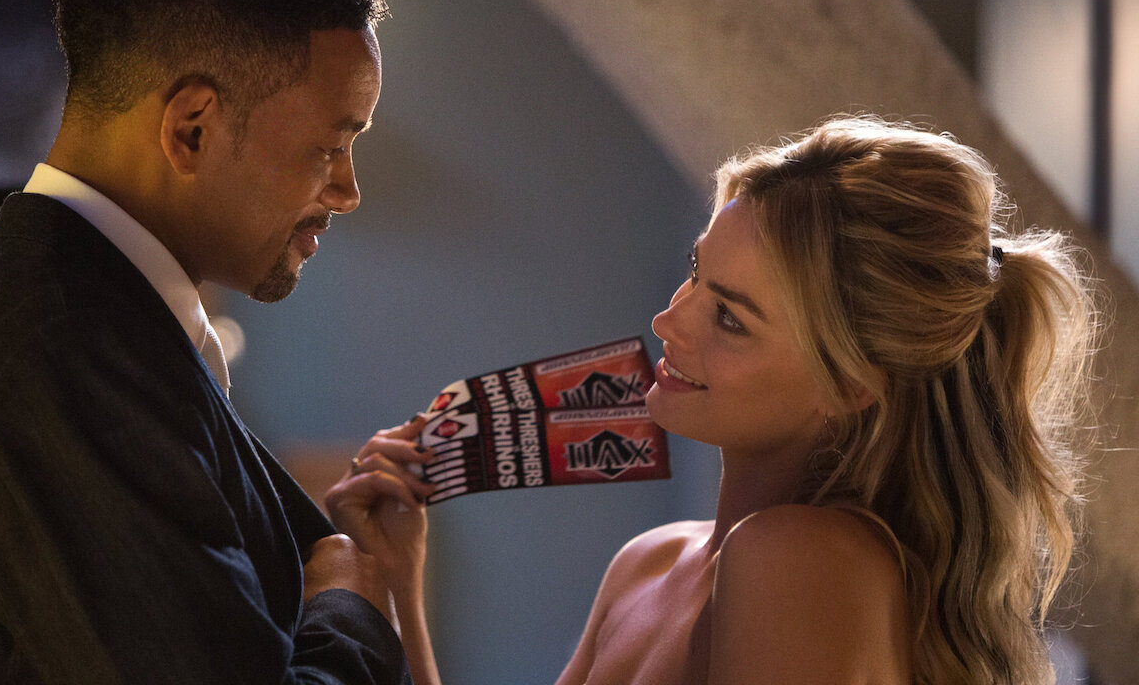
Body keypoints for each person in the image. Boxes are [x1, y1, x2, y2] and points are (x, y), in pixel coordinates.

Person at [331, 115, 1101, 684]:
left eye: (731, 318)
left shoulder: (801, 561)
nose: (669, 322)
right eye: (698, 274)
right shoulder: (649, 563)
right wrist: (396, 586)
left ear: (849, 386)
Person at [0, 0, 435, 683]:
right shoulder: (66, 369)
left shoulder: (95, 325)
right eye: (329, 147)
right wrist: (350, 607)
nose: (348, 192)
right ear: (191, 130)